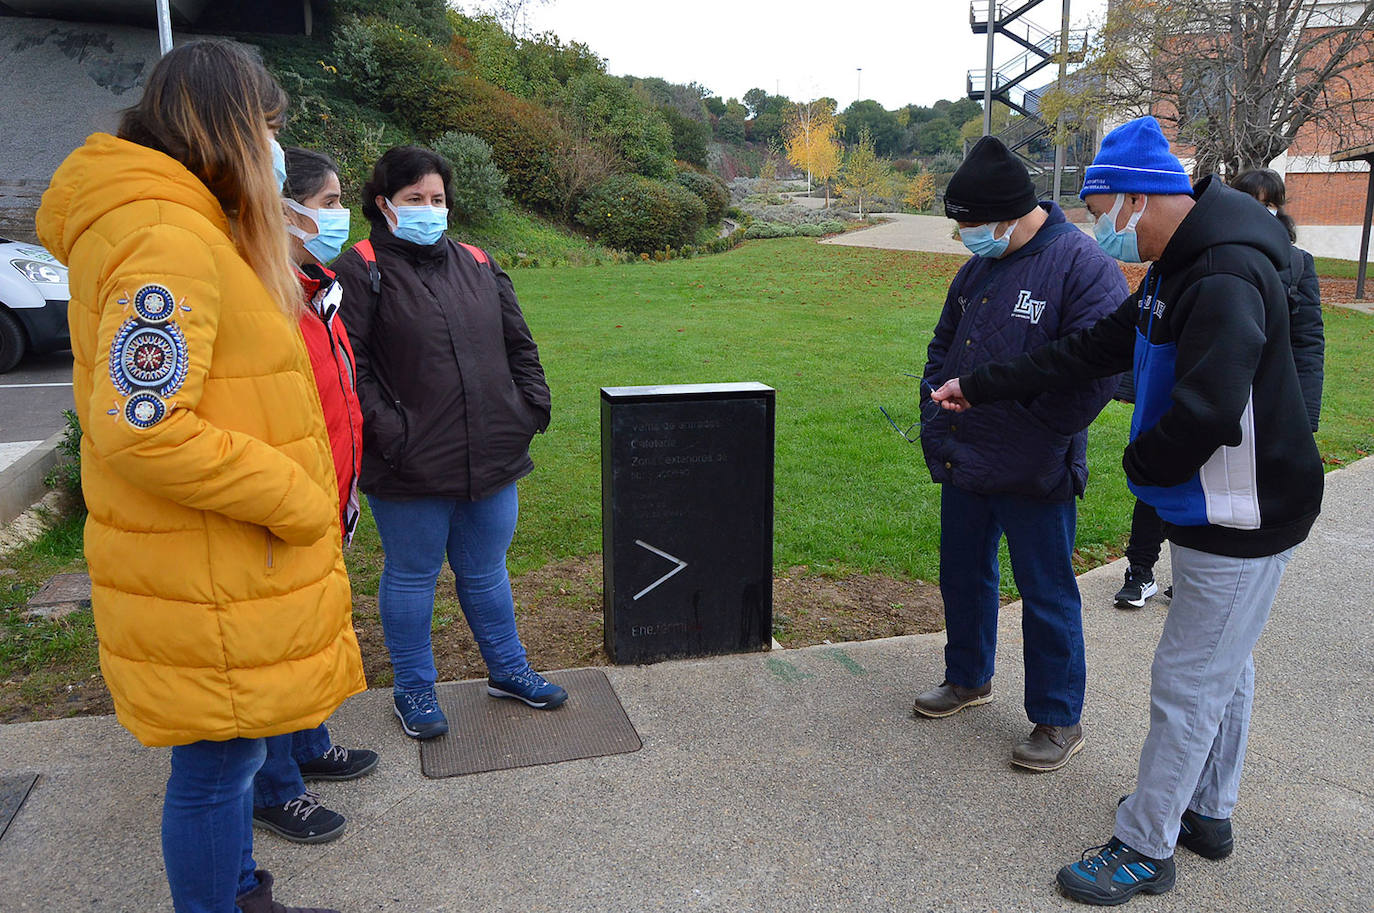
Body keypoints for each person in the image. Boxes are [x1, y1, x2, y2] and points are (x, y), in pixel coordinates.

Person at [931, 116, 1323, 905]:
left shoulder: (1218, 275)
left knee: (1187, 682)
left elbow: (1210, 407)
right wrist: (980, 385)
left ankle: (1146, 846)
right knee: (1225, 668)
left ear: (1139, 199)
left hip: (1241, 515)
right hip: (1217, 508)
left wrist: (1143, 466)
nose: (1097, 228)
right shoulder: (1177, 267)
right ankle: (1208, 812)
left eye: (1101, 208)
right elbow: (1088, 351)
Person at [36, 40, 365, 913]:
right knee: (218, 768)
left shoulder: (182, 224)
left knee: (230, 758)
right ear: (224, 128)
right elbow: (142, 426)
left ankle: (238, 889)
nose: (275, 151)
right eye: (266, 128)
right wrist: (293, 493)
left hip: (210, 560)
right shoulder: (165, 237)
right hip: (209, 562)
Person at [910, 136, 1127, 773]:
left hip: (1035, 466)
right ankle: (968, 676)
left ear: (1010, 214)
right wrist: (935, 403)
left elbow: (1095, 377)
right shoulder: (978, 266)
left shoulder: (1081, 266)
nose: (966, 238)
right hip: (966, 456)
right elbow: (943, 345)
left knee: (1046, 592)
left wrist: (1034, 432)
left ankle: (1058, 719)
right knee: (964, 575)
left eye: (972, 226)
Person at [333, 146, 563, 741]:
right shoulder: (360, 269)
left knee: (486, 570)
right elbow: (346, 364)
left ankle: (509, 670)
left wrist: (528, 409)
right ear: (384, 205)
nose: (429, 209)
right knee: (412, 576)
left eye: (437, 200)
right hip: (408, 461)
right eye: (414, 200)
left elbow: (520, 344)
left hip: (492, 451)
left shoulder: (478, 262)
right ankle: (413, 688)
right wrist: (393, 433)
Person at [1110, 166, 1325, 610]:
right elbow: (1132, 331)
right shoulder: (1178, 264)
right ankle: (1141, 569)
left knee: (1189, 672)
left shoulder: (1257, 268)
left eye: (1270, 202)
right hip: (1187, 410)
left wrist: (1304, 413)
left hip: (1240, 446)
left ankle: (1174, 573)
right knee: (1159, 483)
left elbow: (1304, 341)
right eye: (1252, 198)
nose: (1260, 210)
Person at [250, 146, 380, 846]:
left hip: (328, 490)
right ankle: (274, 787)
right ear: (284, 207)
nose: (338, 215)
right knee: (278, 644)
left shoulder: (315, 285)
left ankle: (307, 741)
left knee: (309, 631)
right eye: (328, 202)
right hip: (287, 502)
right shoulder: (263, 296)